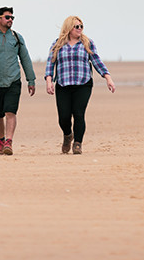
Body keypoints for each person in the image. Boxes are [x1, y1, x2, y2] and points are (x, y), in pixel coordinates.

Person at [44, 15, 115, 155]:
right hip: (63, 84)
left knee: (78, 113)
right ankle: (67, 135)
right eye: (77, 26)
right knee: (64, 116)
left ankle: (77, 143)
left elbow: (96, 61)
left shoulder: (87, 43)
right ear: (69, 28)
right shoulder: (57, 44)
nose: (80, 29)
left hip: (83, 83)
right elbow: (50, 63)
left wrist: (108, 77)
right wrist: (48, 80)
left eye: (81, 26)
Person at [0, 6, 37, 156]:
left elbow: (25, 59)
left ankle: (9, 142)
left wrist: (31, 79)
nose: (11, 20)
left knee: (11, 112)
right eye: (8, 17)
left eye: (12, 18)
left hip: (13, 80)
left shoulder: (17, 37)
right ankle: (1, 141)